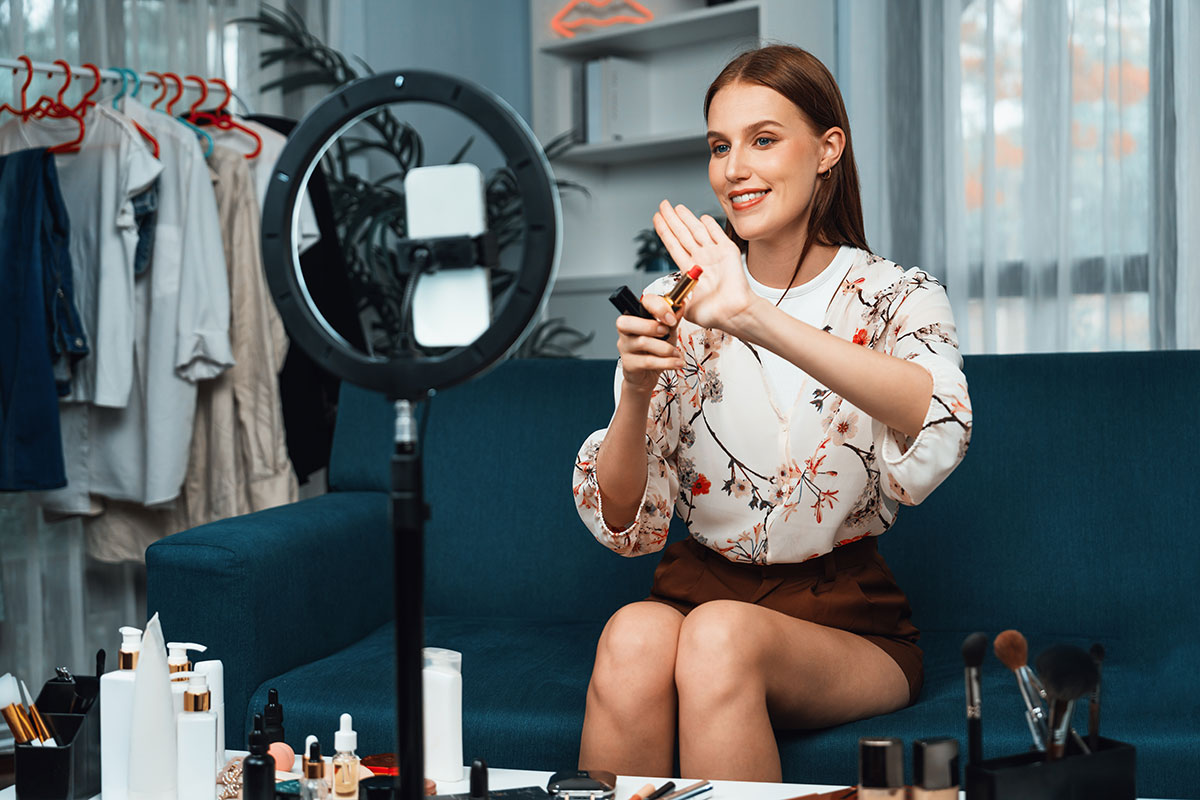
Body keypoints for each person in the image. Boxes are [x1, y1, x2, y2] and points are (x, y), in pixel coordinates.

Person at [570, 45, 973, 782]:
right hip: (697, 595)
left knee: (719, 637)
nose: (734, 169)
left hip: (845, 617)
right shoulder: (677, 302)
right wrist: (635, 391)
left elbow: (936, 414)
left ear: (827, 149)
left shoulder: (897, 296)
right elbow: (625, 518)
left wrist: (751, 315)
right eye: (720, 146)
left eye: (762, 139)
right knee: (631, 635)